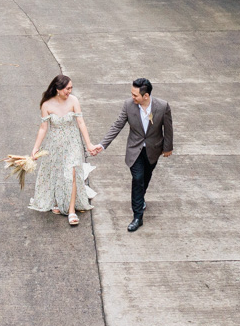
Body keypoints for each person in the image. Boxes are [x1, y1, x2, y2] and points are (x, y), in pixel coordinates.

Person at [94, 77, 172, 232]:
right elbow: (117, 125)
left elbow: (168, 129)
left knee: (146, 177)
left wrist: (167, 147)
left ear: (146, 96)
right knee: (137, 179)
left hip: (153, 149)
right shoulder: (128, 105)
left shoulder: (163, 106)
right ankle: (137, 217)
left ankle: (139, 199)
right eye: (132, 94)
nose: (132, 97)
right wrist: (102, 145)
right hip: (135, 150)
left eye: (135, 95)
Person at [28, 73, 103, 226]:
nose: (70, 91)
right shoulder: (47, 105)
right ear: (58, 89)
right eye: (67, 89)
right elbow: (43, 128)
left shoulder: (74, 101)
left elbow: (81, 122)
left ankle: (71, 210)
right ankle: (57, 200)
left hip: (73, 143)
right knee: (57, 171)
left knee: (72, 174)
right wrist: (35, 148)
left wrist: (88, 144)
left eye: (71, 88)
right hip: (55, 144)